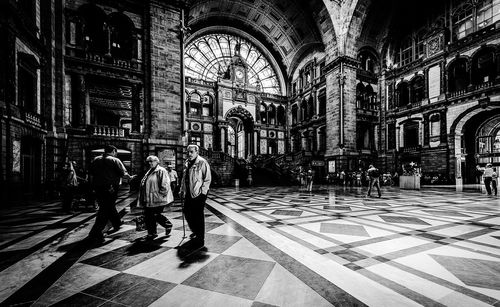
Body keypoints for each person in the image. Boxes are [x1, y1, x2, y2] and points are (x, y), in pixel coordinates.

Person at [87, 145, 133, 243]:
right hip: (110, 188)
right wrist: (130, 178)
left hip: (97, 188)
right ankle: (95, 232)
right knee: (105, 209)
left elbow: (90, 174)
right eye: (115, 152)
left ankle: (117, 223)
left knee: (108, 206)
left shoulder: (96, 159)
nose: (115, 154)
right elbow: (124, 174)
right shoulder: (115, 160)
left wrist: (92, 187)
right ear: (113, 151)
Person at [179, 144, 212, 249]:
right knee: (187, 212)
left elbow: (207, 179)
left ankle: (200, 237)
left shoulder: (202, 162)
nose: (189, 154)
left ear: (197, 152)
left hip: (198, 193)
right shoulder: (187, 163)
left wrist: (203, 193)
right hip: (188, 193)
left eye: (191, 152)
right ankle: (195, 230)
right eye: (187, 152)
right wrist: (181, 190)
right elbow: (184, 179)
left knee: (198, 216)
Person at [139, 155, 174, 240]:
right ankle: (152, 232)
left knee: (154, 214)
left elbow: (165, 184)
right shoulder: (150, 171)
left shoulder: (161, 170)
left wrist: (161, 195)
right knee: (149, 215)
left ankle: (167, 225)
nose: (150, 163)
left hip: (157, 197)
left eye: (152, 161)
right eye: (149, 161)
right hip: (149, 197)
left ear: (157, 162)